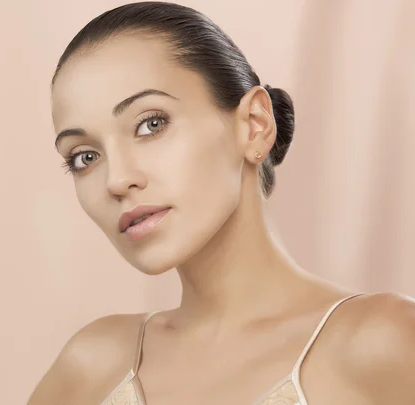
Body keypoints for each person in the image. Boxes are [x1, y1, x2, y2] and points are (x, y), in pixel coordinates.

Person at [28, 2, 415, 404]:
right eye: (85, 157)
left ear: (254, 125)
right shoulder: (92, 364)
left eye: (151, 124)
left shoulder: (384, 343)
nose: (117, 179)